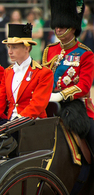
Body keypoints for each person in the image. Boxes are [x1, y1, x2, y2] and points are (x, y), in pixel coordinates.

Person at [42, 0, 94, 155]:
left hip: (76, 105)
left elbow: (84, 85)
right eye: (57, 26)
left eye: (62, 26)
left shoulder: (86, 54)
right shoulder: (49, 50)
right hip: (48, 103)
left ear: (72, 27)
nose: (58, 29)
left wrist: (61, 95)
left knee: (92, 137)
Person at [0, 23, 53, 127]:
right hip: (10, 124)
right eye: (9, 47)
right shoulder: (7, 72)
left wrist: (15, 122)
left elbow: (37, 105)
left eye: (14, 47)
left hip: (32, 124)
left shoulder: (43, 73)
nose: (9, 52)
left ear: (27, 48)